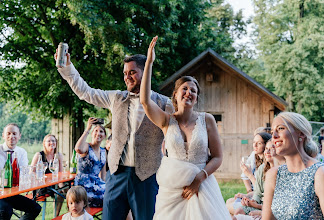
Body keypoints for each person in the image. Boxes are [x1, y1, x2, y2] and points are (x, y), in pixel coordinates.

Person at [55, 42, 172, 219]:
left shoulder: (164, 103)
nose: (127, 77)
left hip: (147, 177)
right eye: (125, 73)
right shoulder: (116, 98)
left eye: (132, 72)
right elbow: (86, 92)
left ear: (145, 72)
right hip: (116, 175)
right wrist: (67, 68)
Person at [140, 36, 231, 219]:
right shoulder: (166, 121)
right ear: (175, 94)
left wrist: (200, 178)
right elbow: (144, 101)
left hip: (202, 187)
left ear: (196, 98)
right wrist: (149, 63)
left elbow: (218, 157)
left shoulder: (207, 120)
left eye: (193, 91)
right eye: (185, 89)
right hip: (172, 191)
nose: (189, 93)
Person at [262, 112, 324, 219]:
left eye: (280, 128)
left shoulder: (321, 174)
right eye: (272, 132)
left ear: (301, 134)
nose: (274, 136)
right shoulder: (273, 175)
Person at [233, 140, 285, 219]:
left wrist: (258, 207)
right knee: (238, 211)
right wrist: (253, 201)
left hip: (272, 208)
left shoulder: (283, 170)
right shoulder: (262, 168)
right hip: (261, 204)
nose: (267, 151)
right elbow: (257, 192)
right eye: (266, 148)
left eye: (271, 149)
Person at [0, 123, 42, 220]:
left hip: (12, 193)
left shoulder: (22, 152)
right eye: (8, 133)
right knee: (6, 210)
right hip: (0, 193)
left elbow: (24, 173)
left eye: (14, 133)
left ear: (19, 136)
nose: (11, 136)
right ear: (3, 135)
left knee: (35, 208)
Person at [226, 132, 271, 215]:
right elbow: (257, 191)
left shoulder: (270, 165)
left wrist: (250, 175)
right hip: (256, 197)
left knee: (230, 206)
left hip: (263, 202)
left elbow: (262, 191)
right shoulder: (255, 157)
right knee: (229, 201)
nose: (255, 146)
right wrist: (247, 195)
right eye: (254, 142)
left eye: (259, 143)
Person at [74, 117, 107, 207]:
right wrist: (88, 128)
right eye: (96, 131)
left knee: (118, 195)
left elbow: (103, 176)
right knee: (112, 199)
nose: (98, 133)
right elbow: (78, 148)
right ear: (92, 134)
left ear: (104, 136)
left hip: (97, 185)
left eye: (101, 131)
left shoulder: (103, 152)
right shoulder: (86, 147)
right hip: (83, 187)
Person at [30, 134, 65, 216]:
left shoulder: (58, 156)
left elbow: (60, 173)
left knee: (64, 192)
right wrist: (40, 177)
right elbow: (31, 172)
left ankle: (56, 216)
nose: (51, 143)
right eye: (49, 141)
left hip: (54, 184)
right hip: (41, 185)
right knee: (62, 191)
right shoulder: (39, 155)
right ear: (44, 144)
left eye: (53, 141)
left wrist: (62, 186)